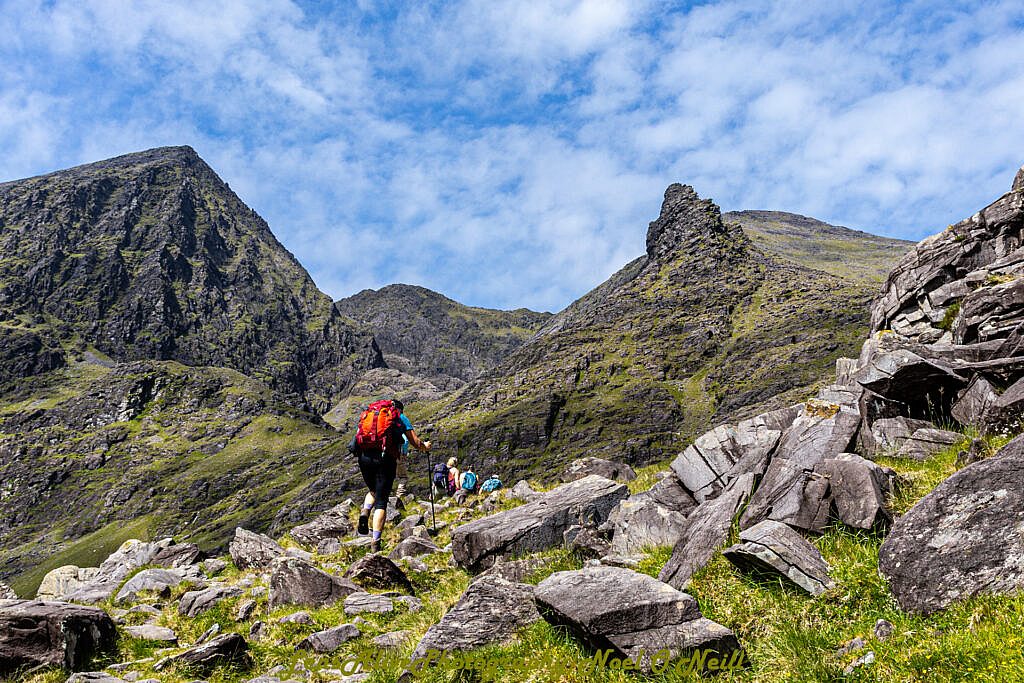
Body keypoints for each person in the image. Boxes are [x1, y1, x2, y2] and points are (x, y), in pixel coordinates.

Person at [356, 399, 430, 552]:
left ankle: (365, 511)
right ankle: (375, 543)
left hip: (364, 457)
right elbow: (415, 442)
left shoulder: (371, 414)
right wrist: (425, 447)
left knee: (373, 490)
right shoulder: (399, 416)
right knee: (382, 502)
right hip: (385, 459)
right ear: (400, 409)